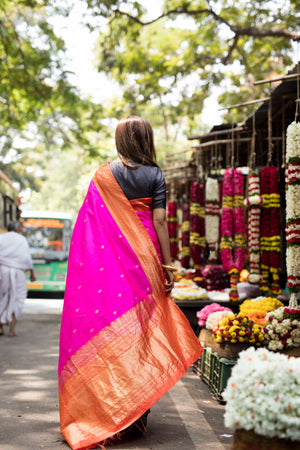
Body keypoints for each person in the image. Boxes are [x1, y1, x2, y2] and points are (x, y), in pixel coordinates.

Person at [58, 116, 203, 450]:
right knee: (143, 332)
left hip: (112, 262)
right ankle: (137, 415)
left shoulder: (103, 176)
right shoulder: (155, 174)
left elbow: (90, 229)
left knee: (109, 326)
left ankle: (110, 409)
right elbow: (161, 222)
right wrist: (167, 265)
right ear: (146, 139)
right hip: (147, 257)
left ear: (120, 140)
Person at [0, 221, 36, 337]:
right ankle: (11, 330)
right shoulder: (21, 239)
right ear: (17, 229)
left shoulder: (1, 238)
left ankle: (0, 327)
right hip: (18, 273)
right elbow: (26, 258)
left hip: (2, 271)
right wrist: (32, 273)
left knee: (1, 298)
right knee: (17, 298)